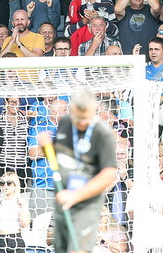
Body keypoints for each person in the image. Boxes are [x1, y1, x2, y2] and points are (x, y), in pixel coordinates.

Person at [51, 90, 118, 252]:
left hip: (86, 203)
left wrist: (75, 196)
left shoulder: (103, 134)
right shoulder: (65, 123)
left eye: (86, 117)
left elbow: (109, 175)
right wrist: (47, 148)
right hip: (64, 196)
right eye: (77, 117)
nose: (81, 122)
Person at [0, 172, 30, 253]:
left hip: (16, 240)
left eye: (9, 183)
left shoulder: (21, 201)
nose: (5, 186)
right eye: (2, 183)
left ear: (15, 185)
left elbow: (25, 225)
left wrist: (21, 209)